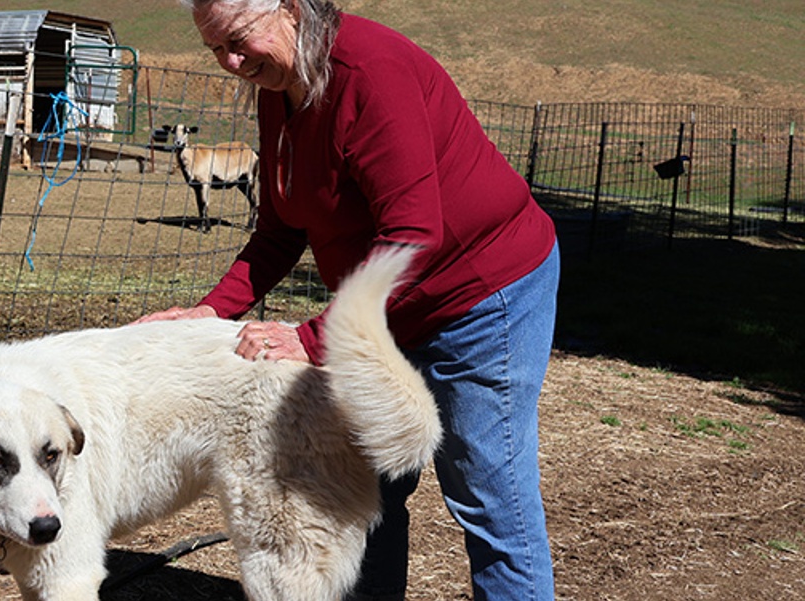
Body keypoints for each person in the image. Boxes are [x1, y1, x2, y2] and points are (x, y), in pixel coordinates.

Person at [134, 0, 561, 599]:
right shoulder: (278, 83)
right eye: (215, 51)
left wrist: (311, 339)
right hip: (384, 311)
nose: (231, 63)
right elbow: (282, 227)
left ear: (287, 8)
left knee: (488, 490)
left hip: (480, 295)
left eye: (237, 40)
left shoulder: (368, 74)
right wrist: (212, 309)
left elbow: (414, 235)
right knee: (364, 488)